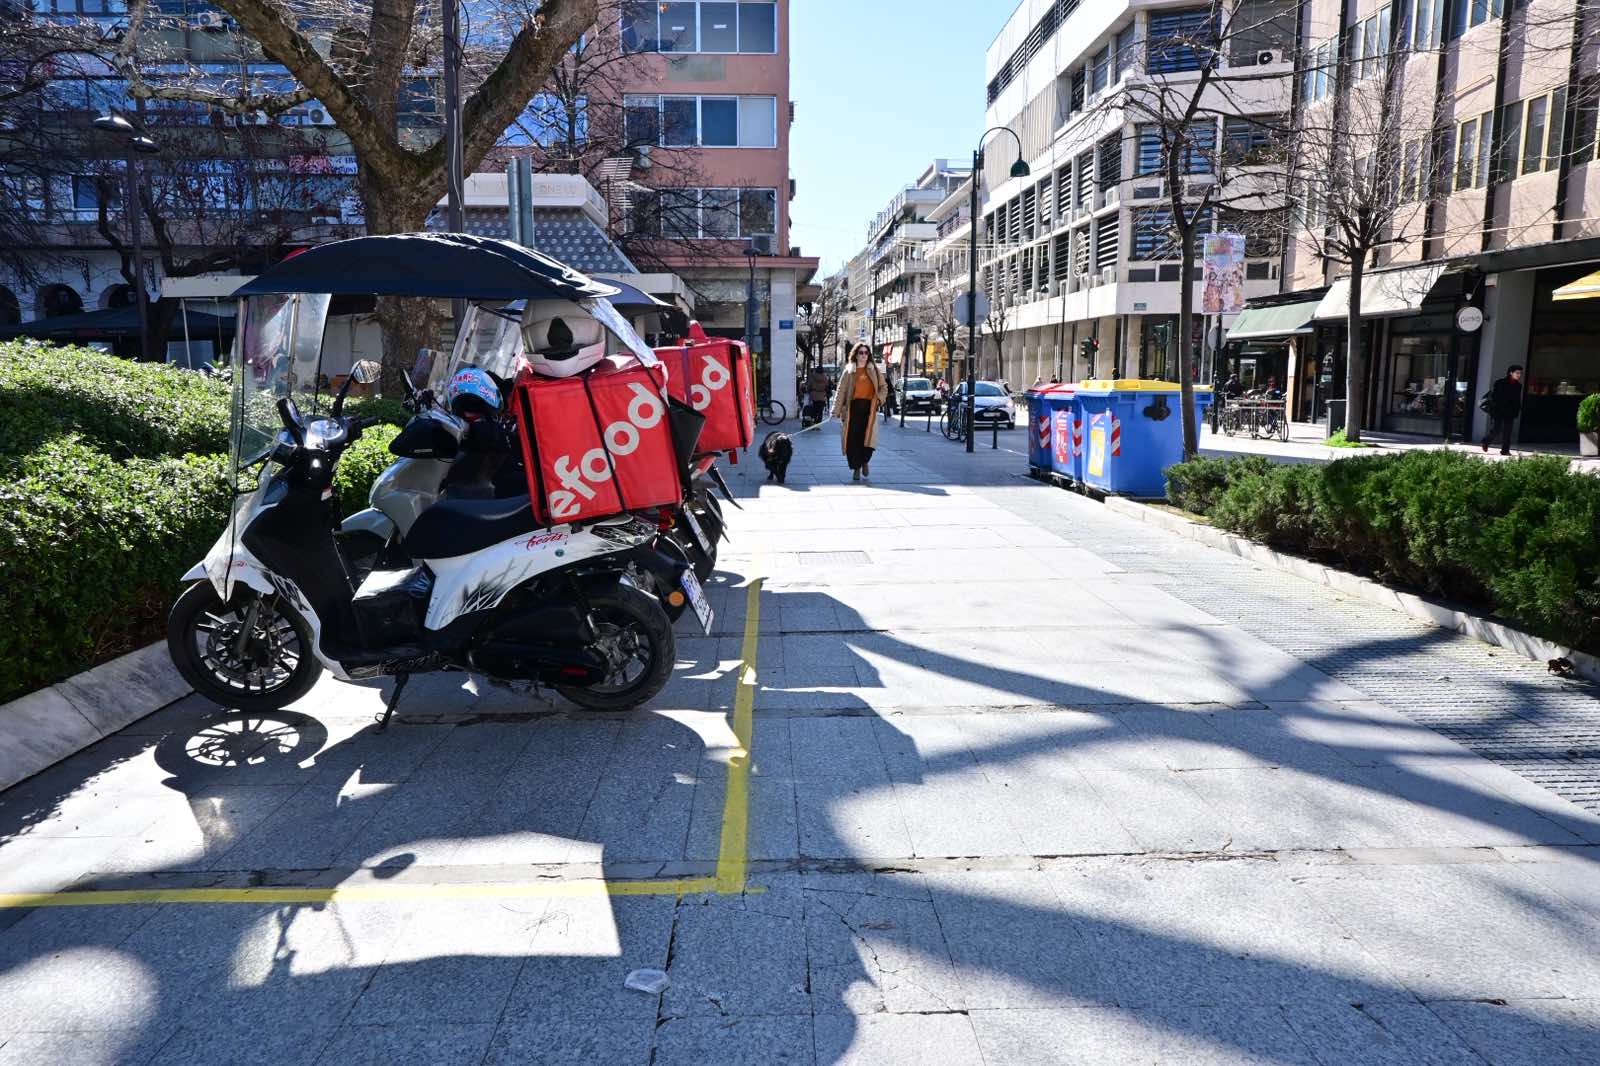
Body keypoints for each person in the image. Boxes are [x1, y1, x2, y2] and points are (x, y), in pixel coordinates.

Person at [833, 343, 886, 481]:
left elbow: (883, 387)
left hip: (869, 410)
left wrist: (879, 400)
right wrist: (836, 410)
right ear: (856, 355)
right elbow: (841, 391)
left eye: (866, 353)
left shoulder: (874, 370)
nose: (863, 355)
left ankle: (865, 462)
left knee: (868, 439)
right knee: (852, 441)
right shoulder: (849, 371)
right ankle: (856, 468)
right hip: (852, 410)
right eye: (861, 352)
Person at [1481, 364, 1524, 455]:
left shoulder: (1518, 385)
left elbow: (1517, 399)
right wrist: (1495, 408)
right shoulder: (1500, 382)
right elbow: (1495, 396)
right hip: (1498, 410)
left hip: (1510, 411)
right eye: (1517, 373)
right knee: (1497, 429)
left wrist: (1517, 409)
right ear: (1511, 373)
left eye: (1520, 373)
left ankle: (1505, 450)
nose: (1519, 375)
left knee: (1508, 432)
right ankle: (1486, 441)